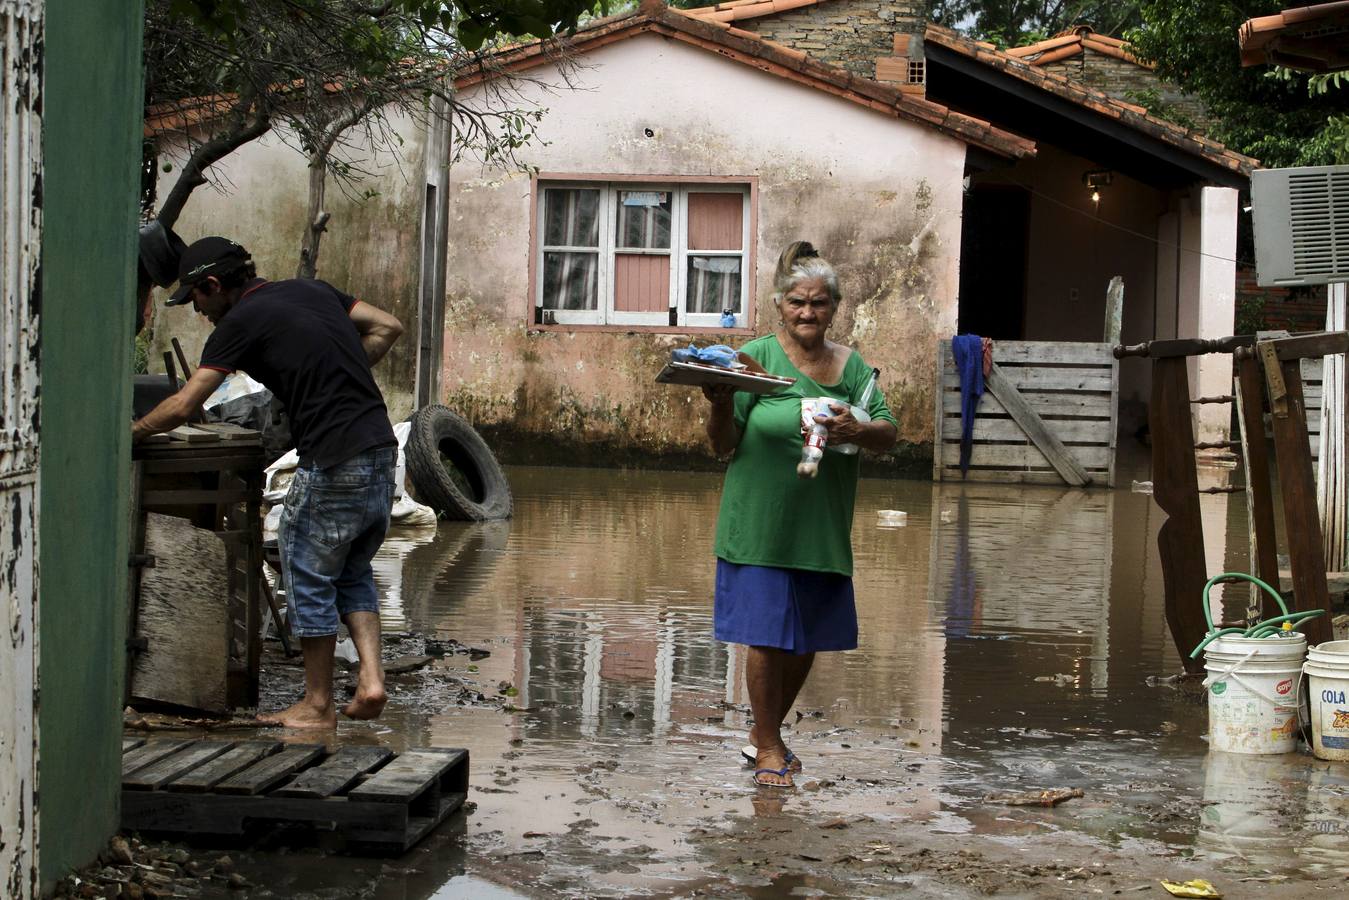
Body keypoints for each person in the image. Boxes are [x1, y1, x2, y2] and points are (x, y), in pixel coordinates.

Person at [131, 236, 404, 729]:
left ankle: (317, 705)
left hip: (335, 456)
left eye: (195, 298)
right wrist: (334, 374)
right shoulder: (313, 291)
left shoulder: (238, 323)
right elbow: (388, 325)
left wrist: (130, 433)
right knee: (351, 570)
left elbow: (187, 404)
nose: (198, 311)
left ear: (213, 285)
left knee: (305, 568)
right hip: (382, 451)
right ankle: (371, 680)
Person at [703, 241, 898, 787]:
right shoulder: (755, 360)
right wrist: (720, 402)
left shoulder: (853, 367)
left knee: (807, 637)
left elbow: (889, 433)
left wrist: (857, 429)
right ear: (780, 306)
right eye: (797, 303)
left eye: (818, 303)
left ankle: (768, 732)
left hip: (821, 524)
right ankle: (767, 748)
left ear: (834, 308)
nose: (807, 313)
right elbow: (722, 445)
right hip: (760, 520)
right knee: (765, 635)